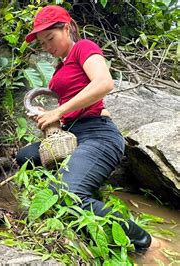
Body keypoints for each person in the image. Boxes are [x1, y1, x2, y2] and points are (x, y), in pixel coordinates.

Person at [15, 5, 155, 251]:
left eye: (51, 38)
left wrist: (57, 111)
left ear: (66, 28)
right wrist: (50, 118)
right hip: (73, 133)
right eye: (42, 43)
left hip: (99, 134)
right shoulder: (60, 66)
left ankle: (145, 241)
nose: (47, 47)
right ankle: (78, 175)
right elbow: (69, 107)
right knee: (25, 156)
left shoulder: (83, 48)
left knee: (65, 197)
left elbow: (104, 83)